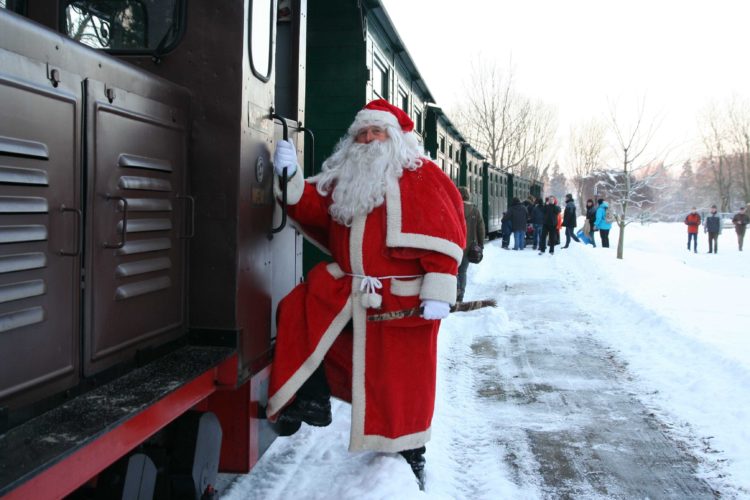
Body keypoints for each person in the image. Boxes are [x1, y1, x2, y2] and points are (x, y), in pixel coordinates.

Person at [268, 99, 465, 489]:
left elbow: (445, 235)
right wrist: (290, 178)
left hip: (402, 302)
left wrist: (439, 290)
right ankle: (311, 396)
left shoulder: (423, 176)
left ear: (395, 137)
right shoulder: (348, 176)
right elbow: (314, 207)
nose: (369, 139)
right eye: (362, 133)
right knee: (299, 310)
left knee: (402, 384)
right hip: (351, 288)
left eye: (377, 132)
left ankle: (411, 455)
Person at [457, 186, 485, 302]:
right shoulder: (475, 210)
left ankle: (454, 293)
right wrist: (480, 245)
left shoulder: (454, 208)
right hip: (468, 247)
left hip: (455, 246)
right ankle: (460, 296)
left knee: (453, 271)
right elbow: (481, 229)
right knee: (463, 272)